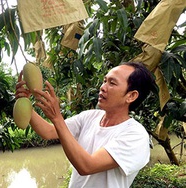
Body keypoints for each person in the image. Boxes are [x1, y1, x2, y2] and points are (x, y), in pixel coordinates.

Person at [15, 61, 155, 188]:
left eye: (112, 83)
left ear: (131, 96)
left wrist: (57, 117)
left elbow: (87, 166)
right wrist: (26, 103)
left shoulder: (136, 135)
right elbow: (48, 132)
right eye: (104, 81)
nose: (102, 87)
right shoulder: (90, 116)